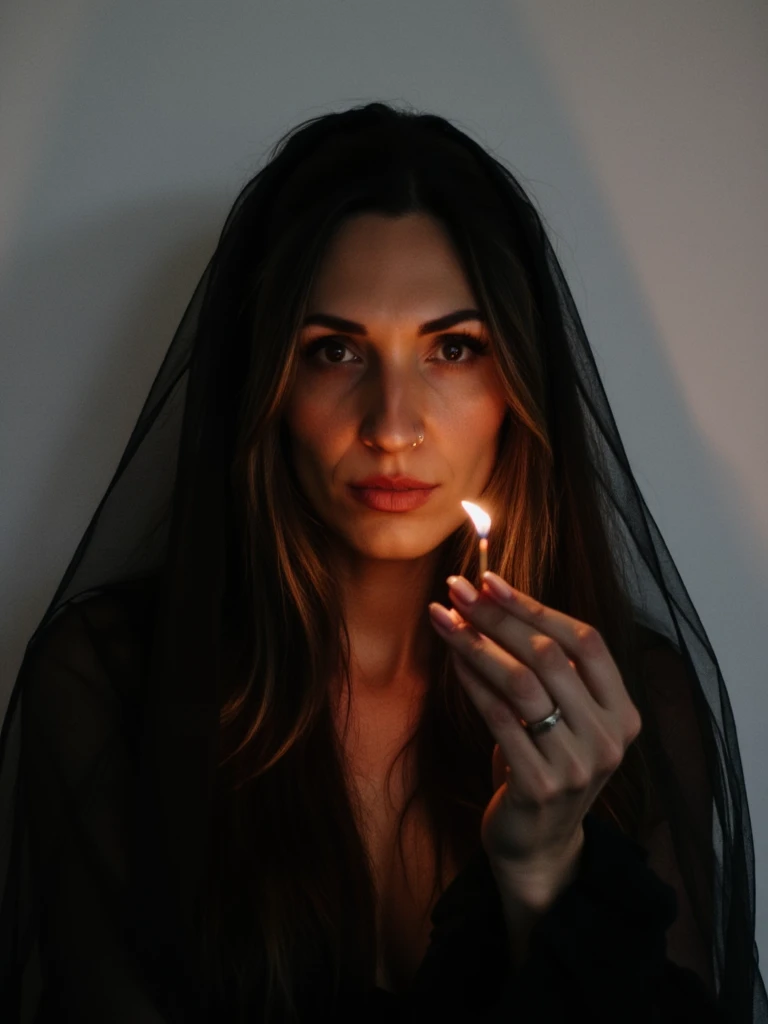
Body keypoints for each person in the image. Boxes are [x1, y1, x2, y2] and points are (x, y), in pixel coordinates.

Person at [0, 101, 765, 1023]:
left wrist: (543, 867)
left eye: (452, 348)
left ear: (518, 383)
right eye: (334, 351)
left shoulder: (633, 707)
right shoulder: (114, 685)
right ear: (266, 387)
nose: (393, 426)